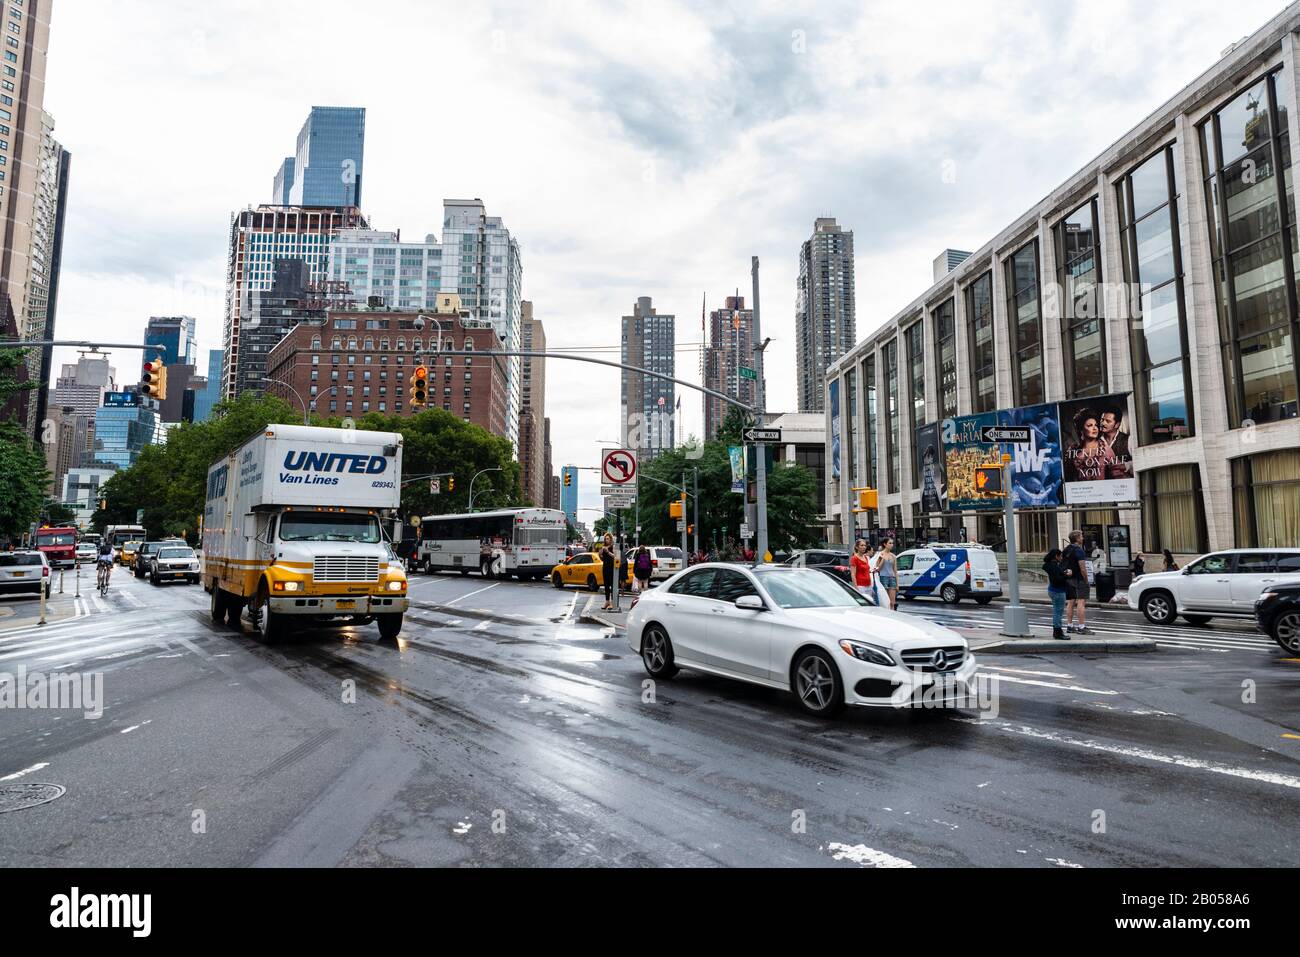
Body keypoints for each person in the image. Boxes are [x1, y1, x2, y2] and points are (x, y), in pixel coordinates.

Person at [1063, 529, 1091, 634]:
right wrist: (1086, 580)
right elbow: (1082, 568)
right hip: (1079, 579)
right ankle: (1081, 626)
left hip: (1068, 579)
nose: (1083, 538)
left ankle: (1070, 625)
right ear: (1077, 539)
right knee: (1081, 602)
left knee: (1070, 602)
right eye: (1081, 536)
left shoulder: (1066, 549)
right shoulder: (1079, 550)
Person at [1043, 547, 1070, 640]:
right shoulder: (1054, 566)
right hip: (1058, 591)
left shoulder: (1050, 565)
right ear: (1056, 556)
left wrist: (1063, 573)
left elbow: (1056, 576)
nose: (1061, 557)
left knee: (1056, 611)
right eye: (1060, 556)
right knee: (1058, 612)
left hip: (1053, 590)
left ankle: (1057, 631)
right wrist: (1067, 575)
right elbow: (1057, 579)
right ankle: (1058, 632)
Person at [876, 538, 898, 610]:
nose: (892, 545)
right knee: (885, 601)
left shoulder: (893, 556)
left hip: (892, 578)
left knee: (892, 602)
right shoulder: (880, 554)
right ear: (885, 544)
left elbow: (895, 570)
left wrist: (897, 584)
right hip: (883, 577)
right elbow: (878, 568)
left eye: (892, 543)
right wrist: (882, 559)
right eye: (890, 543)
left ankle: (892, 615)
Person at [599, 533, 616, 610]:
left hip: (611, 567)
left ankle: (612, 602)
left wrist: (608, 552)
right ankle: (607, 601)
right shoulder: (603, 547)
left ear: (611, 539)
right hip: (605, 567)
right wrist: (600, 554)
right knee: (606, 585)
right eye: (605, 538)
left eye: (608, 538)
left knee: (612, 585)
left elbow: (615, 556)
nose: (606, 540)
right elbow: (602, 559)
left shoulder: (613, 546)